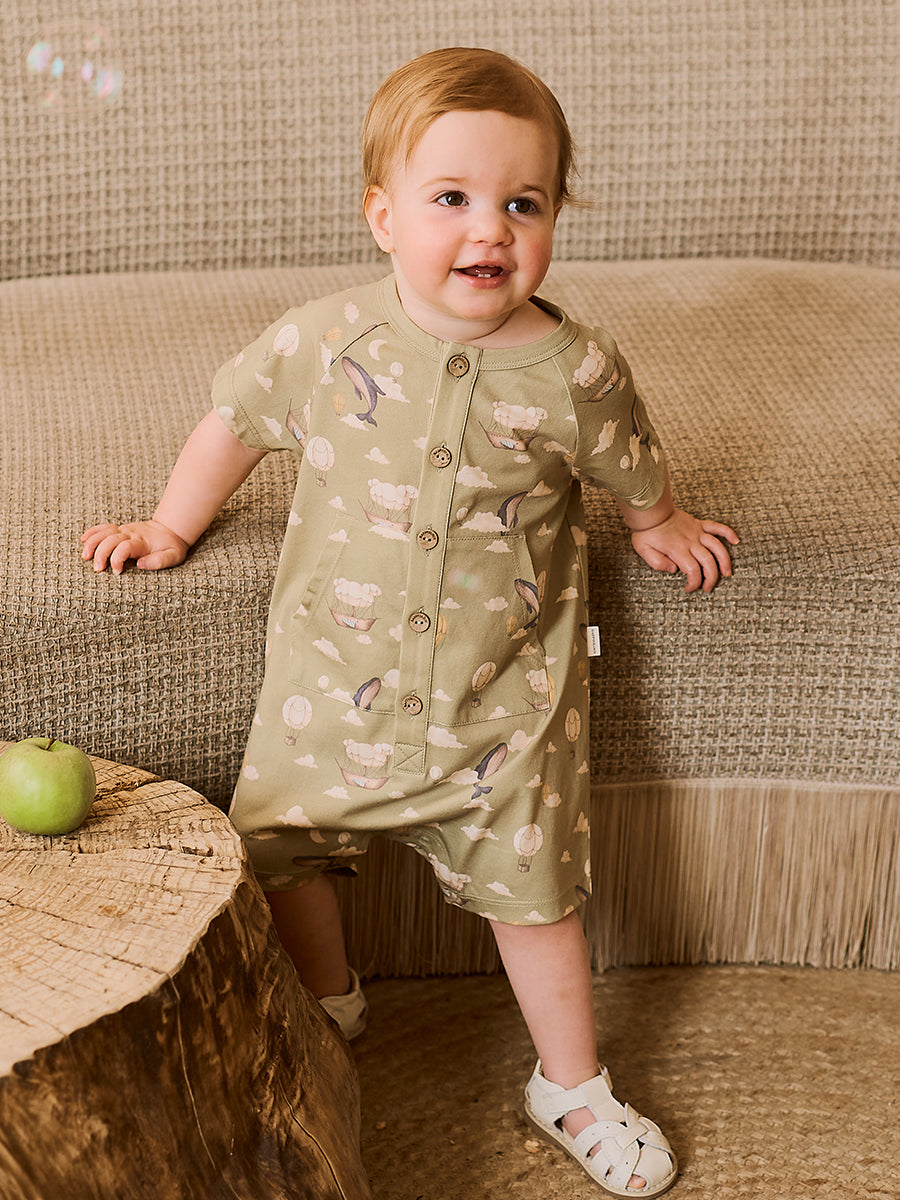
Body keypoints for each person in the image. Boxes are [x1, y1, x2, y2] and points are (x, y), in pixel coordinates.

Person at [82, 47, 738, 1197]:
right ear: (383, 217)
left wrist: (659, 521)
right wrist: (171, 526)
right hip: (331, 688)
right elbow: (235, 421)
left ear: (554, 218)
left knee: (538, 896)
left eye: (523, 203)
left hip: (503, 706)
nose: (490, 230)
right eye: (452, 199)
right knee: (284, 848)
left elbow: (629, 457)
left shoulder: (574, 370)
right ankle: (329, 999)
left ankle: (571, 1082)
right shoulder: (329, 341)